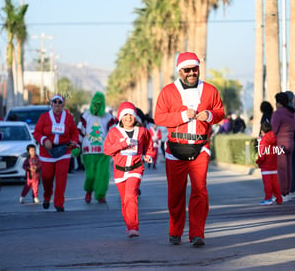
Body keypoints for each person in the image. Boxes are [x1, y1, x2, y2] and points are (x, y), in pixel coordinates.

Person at [154, 52, 225, 247]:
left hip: (200, 147)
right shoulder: (168, 91)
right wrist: (183, 115)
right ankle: (175, 231)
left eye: (195, 69)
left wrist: (210, 114)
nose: (192, 73)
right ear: (180, 71)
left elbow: (220, 112)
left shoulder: (210, 90)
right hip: (175, 148)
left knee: (200, 191)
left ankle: (197, 233)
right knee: (175, 193)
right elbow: (159, 117)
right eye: (187, 70)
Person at [104, 101, 155, 238]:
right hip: (120, 171)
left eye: (131, 115)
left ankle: (133, 227)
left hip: (136, 169)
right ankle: (129, 225)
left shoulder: (142, 131)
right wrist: (122, 144)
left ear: (135, 117)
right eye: (125, 115)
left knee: (130, 196)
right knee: (124, 201)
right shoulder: (114, 132)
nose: (128, 117)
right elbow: (107, 150)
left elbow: (150, 143)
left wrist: (149, 155)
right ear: (120, 117)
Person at [33, 94, 79, 212]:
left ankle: (59, 203)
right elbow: (37, 132)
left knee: (61, 179)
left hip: (64, 151)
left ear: (62, 105)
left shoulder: (68, 117)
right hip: (47, 151)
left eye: (59, 103)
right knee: (47, 177)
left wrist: (72, 142)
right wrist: (44, 140)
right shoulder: (44, 117)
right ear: (51, 104)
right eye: (55, 102)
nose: (57, 105)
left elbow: (74, 133)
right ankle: (47, 196)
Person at [77, 92, 116, 204]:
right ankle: (89, 190)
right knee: (90, 175)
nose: (96, 106)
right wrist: (76, 146)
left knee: (102, 175)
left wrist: (115, 148)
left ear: (102, 104)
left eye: (98, 104)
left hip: (104, 152)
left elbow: (113, 134)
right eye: (94, 103)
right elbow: (79, 132)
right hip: (88, 151)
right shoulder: (86, 116)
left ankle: (100, 194)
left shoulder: (108, 117)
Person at [271, 92, 295, 202]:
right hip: (291, 141)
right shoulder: (292, 113)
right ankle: (288, 191)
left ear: (278, 102)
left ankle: (282, 192)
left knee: (281, 169)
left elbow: (274, 130)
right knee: (289, 169)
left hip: (280, 143)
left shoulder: (278, 113)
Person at [255, 122, 282, 205]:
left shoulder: (264, 140)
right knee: (275, 184)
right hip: (274, 164)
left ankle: (268, 199)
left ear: (262, 131)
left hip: (266, 166)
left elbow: (262, 154)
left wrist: (258, 162)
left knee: (267, 184)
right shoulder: (277, 137)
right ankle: (279, 199)